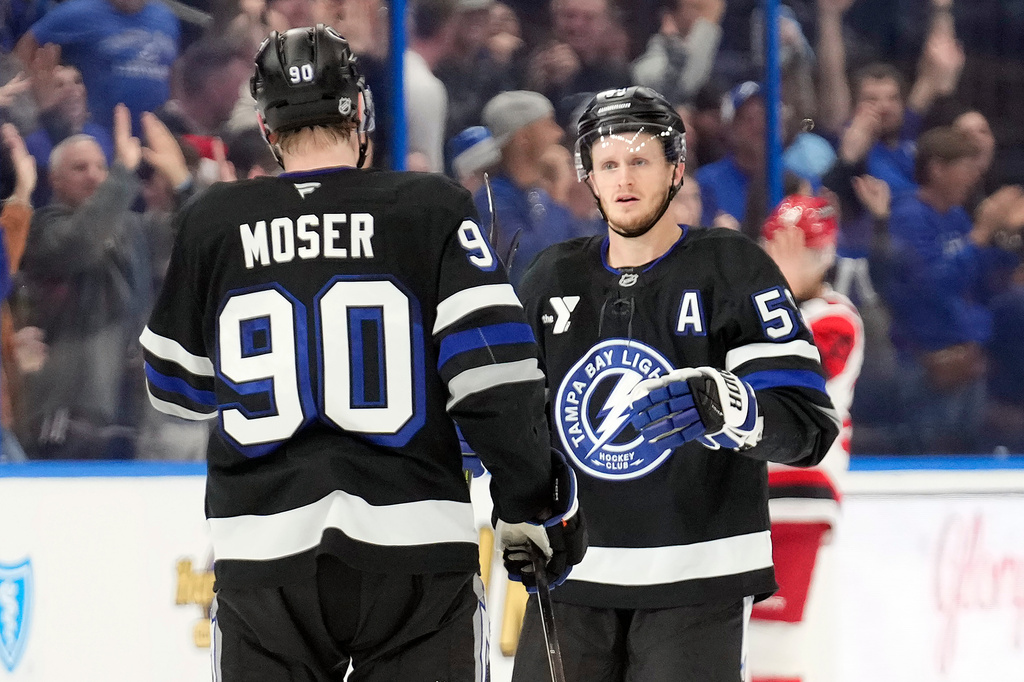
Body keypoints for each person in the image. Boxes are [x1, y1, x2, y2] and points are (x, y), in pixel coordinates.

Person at [139, 25, 586, 680]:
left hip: (262, 560)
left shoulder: (215, 221)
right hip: (415, 555)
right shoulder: (429, 207)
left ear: (266, 126)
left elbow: (175, 383)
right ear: (360, 112)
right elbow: (494, 379)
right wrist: (532, 504)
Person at [513, 85, 839, 682]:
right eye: (609, 164)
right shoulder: (549, 275)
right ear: (588, 175)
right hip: (571, 577)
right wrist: (513, 505)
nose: (624, 178)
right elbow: (509, 418)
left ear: (675, 170)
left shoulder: (731, 268)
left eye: (640, 161)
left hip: (695, 578)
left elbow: (808, 425)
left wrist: (735, 409)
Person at [17, 104, 190, 460]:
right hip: (67, 405)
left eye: (101, 166)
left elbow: (195, 239)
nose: (95, 176)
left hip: (129, 404)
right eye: (80, 168)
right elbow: (80, 244)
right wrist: (122, 175)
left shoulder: (133, 227)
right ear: (55, 181)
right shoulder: (43, 228)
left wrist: (183, 182)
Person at [750, 195, 864, 682]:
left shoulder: (836, 320)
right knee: (738, 648)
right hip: (743, 496)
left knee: (774, 650)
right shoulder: (751, 314)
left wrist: (780, 297)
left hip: (798, 500)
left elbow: (788, 384)